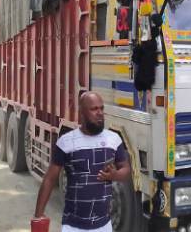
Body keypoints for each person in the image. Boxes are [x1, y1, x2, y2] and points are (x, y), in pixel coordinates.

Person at [34, 92, 131, 232]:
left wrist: (114, 175)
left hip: (104, 226)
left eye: (101, 108)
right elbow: (49, 179)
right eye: (94, 109)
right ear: (82, 113)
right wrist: (38, 216)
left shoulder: (113, 140)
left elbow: (126, 170)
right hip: (73, 226)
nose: (100, 113)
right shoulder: (66, 142)